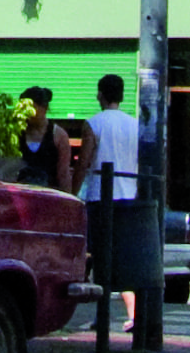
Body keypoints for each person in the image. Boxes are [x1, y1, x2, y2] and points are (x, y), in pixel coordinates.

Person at [84, 75, 144, 339]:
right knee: (126, 260)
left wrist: (75, 191)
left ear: (100, 94)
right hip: (128, 198)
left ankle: (103, 316)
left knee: (100, 259)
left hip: (99, 198)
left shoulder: (93, 124)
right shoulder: (135, 125)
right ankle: (134, 315)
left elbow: (85, 162)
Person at [11, 86, 81, 190]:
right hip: (21, 194)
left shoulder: (59, 135)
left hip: (50, 195)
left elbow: (63, 174)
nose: (28, 114)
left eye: (32, 109)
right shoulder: (16, 133)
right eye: (24, 110)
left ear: (45, 108)